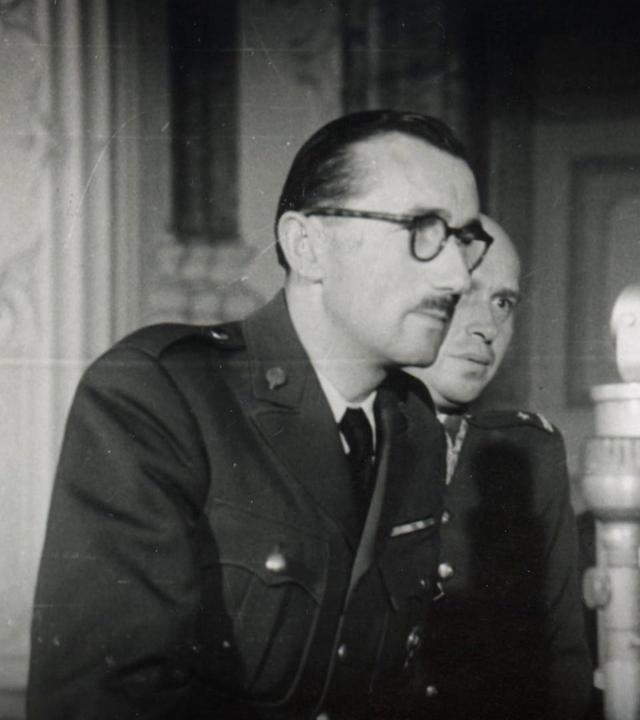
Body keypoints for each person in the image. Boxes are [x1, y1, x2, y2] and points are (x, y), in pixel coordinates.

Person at [27, 110, 494, 720]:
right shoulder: (161, 395)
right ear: (307, 246)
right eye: (423, 230)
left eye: (463, 239)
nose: (458, 276)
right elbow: (103, 702)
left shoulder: (413, 426)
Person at [411, 215, 592, 719]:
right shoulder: (347, 433)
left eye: (503, 303)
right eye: (464, 294)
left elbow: (563, 663)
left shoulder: (528, 454)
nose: (487, 328)